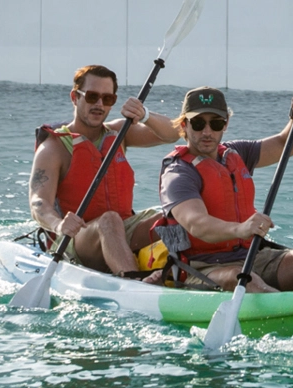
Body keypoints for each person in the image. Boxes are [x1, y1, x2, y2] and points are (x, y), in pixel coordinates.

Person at [155, 86, 293, 293]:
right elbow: (197, 224)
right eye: (198, 123)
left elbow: (287, 144)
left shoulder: (236, 152)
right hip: (202, 268)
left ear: (226, 123)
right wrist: (241, 229)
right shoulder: (178, 173)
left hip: (253, 256)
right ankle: (291, 312)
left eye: (217, 123)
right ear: (184, 125)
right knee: (242, 278)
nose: (207, 131)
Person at [28, 65, 180, 275]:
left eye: (107, 99)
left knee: (176, 214)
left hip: (121, 229)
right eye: (92, 96)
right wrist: (58, 225)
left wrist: (144, 115)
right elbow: (38, 202)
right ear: (75, 97)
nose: (99, 104)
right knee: (109, 220)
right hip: (77, 240)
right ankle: (133, 283)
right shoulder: (53, 148)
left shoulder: (120, 132)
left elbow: (175, 132)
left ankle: (186, 275)